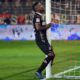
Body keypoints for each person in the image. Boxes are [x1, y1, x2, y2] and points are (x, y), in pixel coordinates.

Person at [32, 2, 55, 79]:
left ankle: (46, 71)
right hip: (41, 39)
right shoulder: (37, 16)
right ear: (36, 8)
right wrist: (48, 26)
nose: (42, 6)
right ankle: (38, 71)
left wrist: (48, 25)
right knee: (50, 54)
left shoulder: (40, 16)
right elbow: (38, 28)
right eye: (40, 5)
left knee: (52, 55)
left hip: (44, 39)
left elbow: (41, 26)